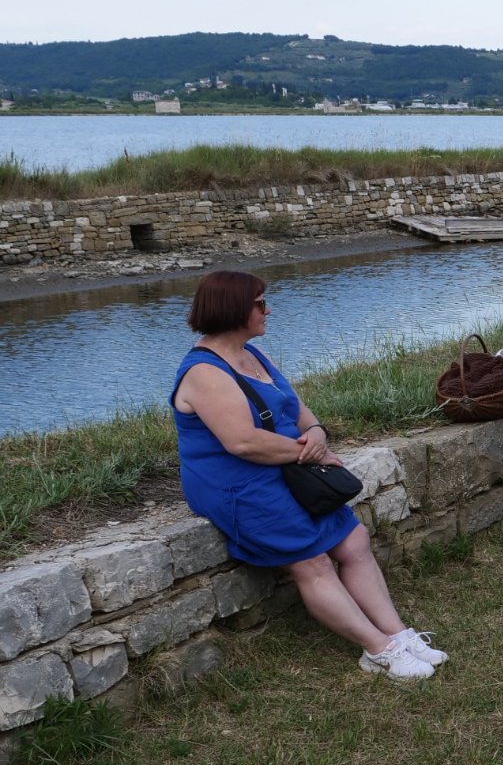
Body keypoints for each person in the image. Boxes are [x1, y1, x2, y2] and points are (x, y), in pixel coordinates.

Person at [171, 271, 443, 681]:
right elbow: (242, 443)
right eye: (260, 304)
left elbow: (299, 411)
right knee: (312, 561)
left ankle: (398, 633)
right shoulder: (205, 372)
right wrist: (308, 452)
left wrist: (316, 433)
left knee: (354, 541)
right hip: (237, 484)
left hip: (285, 467)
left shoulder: (254, 356)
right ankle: (379, 651)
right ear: (233, 311)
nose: (268, 310)